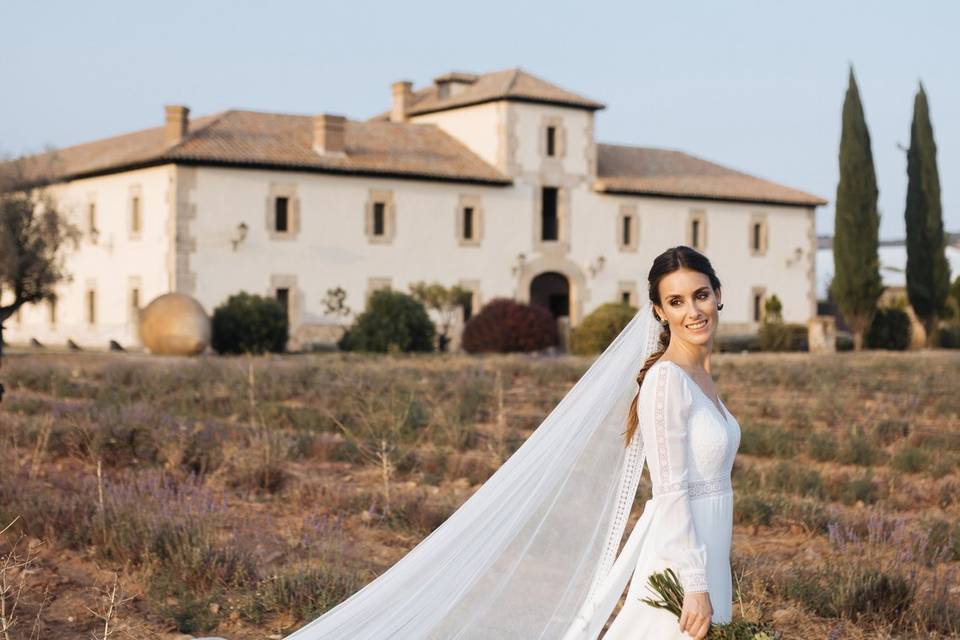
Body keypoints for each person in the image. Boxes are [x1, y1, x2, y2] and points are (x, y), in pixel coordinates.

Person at [283, 246, 740, 640]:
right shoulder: (665, 380)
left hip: (709, 545)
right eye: (676, 301)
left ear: (718, 294)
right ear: (660, 312)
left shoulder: (701, 376)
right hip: (683, 558)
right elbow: (672, 489)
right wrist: (695, 580)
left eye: (700, 295)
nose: (693, 311)